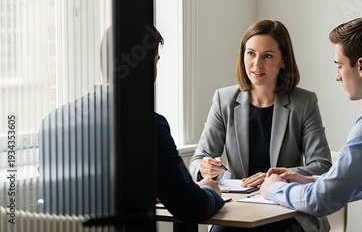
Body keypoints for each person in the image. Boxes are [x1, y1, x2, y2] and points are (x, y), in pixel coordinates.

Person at [39, 26, 224, 222]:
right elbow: (191, 207)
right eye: (155, 62)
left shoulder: (52, 121)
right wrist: (210, 191)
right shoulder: (148, 125)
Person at [189, 19, 332, 232]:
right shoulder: (224, 99)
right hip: (236, 209)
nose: (257, 65)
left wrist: (275, 177)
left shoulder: (304, 102)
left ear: (283, 60)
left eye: (268, 56)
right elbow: (198, 160)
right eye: (251, 54)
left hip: (285, 207)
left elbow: (322, 165)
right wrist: (204, 168)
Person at [260, 16, 362, 217]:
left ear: (361, 66)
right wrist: (309, 180)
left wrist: (274, 189)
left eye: (339, 65)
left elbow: (322, 200)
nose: (337, 76)